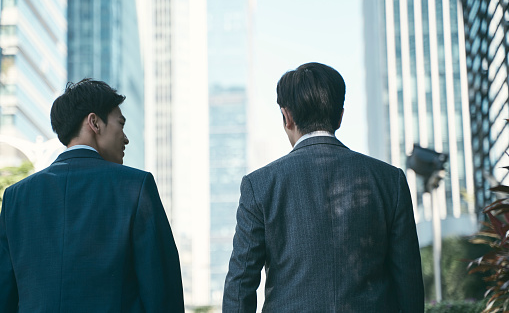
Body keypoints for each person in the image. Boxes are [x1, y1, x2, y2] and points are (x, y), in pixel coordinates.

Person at [223, 63, 424, 312]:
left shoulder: (260, 185)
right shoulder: (389, 180)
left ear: (287, 117)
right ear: (340, 116)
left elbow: (240, 284)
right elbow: (409, 283)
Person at [0, 79, 184, 312]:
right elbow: (162, 293)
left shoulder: (16, 198)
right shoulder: (136, 186)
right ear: (94, 122)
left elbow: (4, 295)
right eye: (121, 124)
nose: (126, 138)